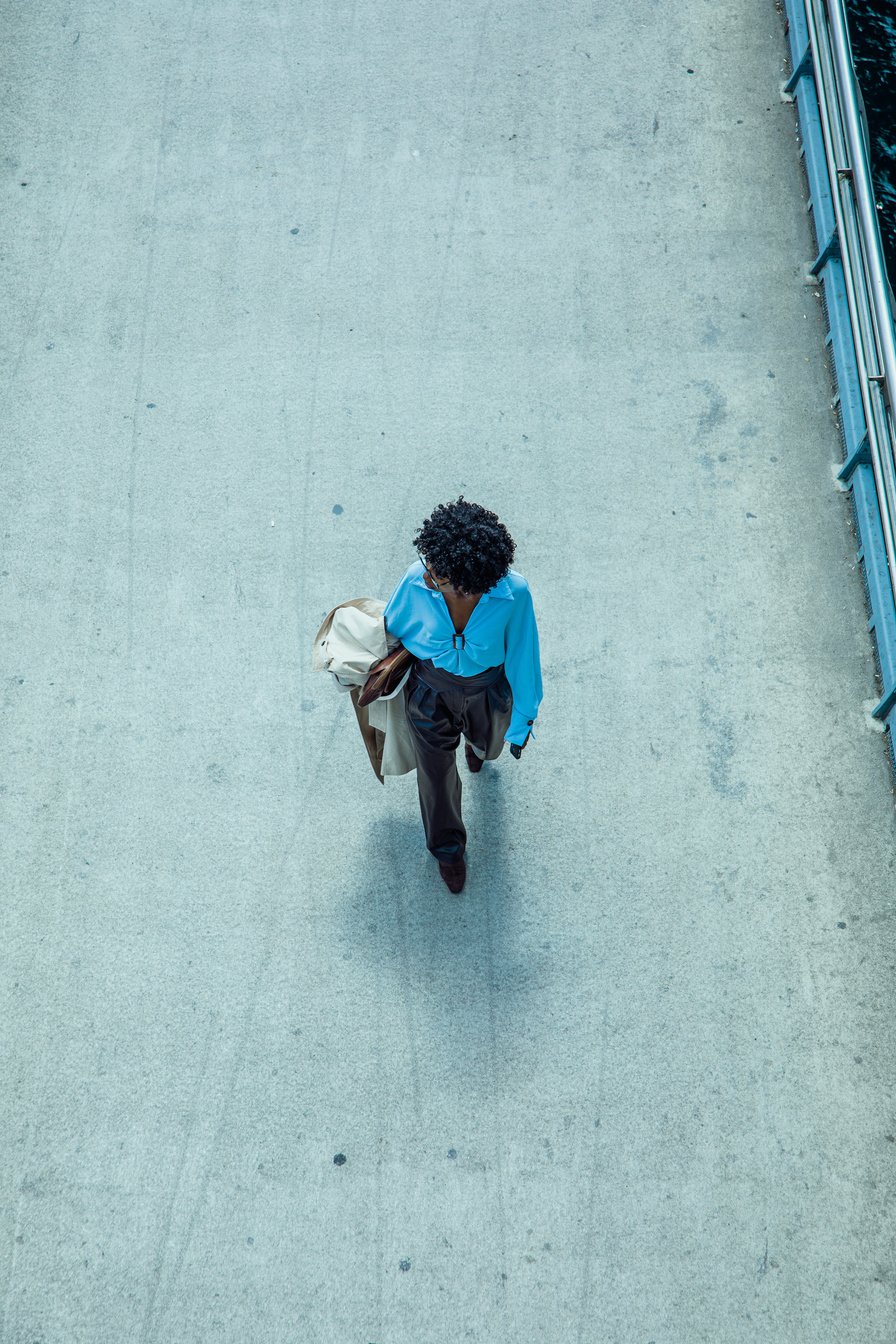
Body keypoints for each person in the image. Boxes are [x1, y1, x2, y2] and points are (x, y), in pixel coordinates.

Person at [382, 496, 543, 894]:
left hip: (487, 691)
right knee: (434, 775)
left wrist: (523, 721)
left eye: (438, 575)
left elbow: (525, 655)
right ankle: (448, 850)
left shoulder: (513, 594)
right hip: (428, 690)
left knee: (489, 749)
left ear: (469, 581)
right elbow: (392, 627)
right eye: (428, 565)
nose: (426, 576)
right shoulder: (416, 578)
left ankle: (476, 745)